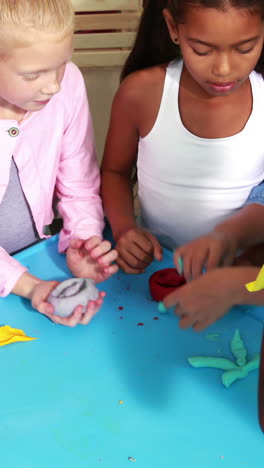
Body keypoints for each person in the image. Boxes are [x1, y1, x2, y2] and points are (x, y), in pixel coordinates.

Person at [100, 0, 264, 330]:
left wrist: (237, 257)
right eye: (202, 50)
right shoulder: (140, 93)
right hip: (154, 269)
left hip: (245, 280)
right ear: (174, 29)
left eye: (245, 48)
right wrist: (124, 229)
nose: (224, 68)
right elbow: (114, 172)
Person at [0, 0, 118, 327]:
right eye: (33, 74)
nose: (53, 85)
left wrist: (81, 239)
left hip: (33, 256)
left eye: (61, 64)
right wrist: (29, 286)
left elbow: (79, 184)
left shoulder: (68, 86)